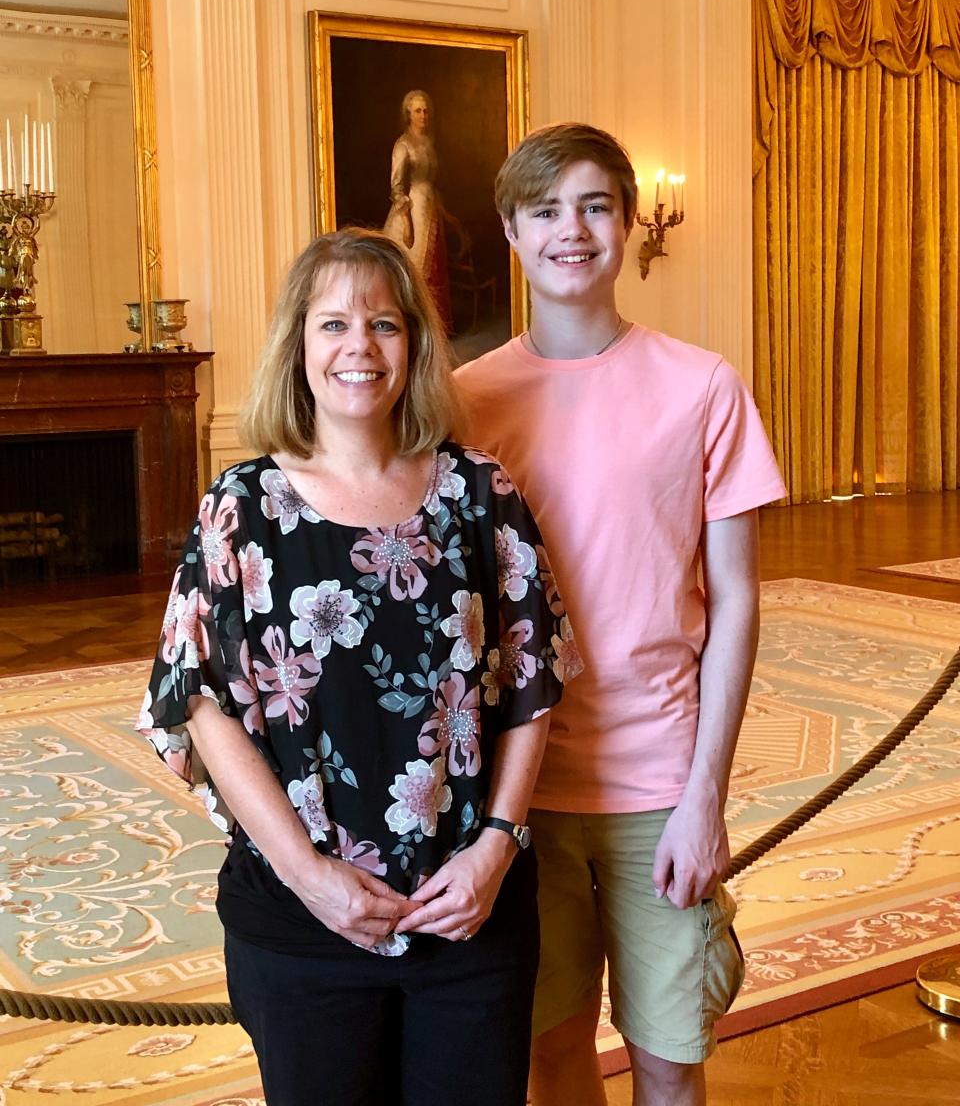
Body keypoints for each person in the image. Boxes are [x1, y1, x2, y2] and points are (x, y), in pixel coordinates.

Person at [137, 228, 574, 1106]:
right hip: (299, 924)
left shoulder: (479, 492)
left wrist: (496, 847)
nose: (359, 349)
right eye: (332, 325)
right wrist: (309, 875)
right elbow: (199, 705)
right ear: (298, 346)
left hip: (469, 917)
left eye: (383, 324)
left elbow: (534, 681)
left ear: (413, 343)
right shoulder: (242, 506)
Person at [454, 124, 786, 1106]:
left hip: (659, 783)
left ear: (629, 224)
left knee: (670, 1063)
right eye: (546, 210)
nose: (572, 230)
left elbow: (736, 598)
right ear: (512, 231)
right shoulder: (465, 401)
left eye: (595, 205)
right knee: (551, 1055)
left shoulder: (703, 385)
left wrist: (706, 794)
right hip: (522, 793)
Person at [382, 89, 454, 332]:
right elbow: (397, 187)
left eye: (425, 110)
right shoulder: (403, 145)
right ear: (408, 114)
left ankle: (436, 328)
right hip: (411, 212)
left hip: (430, 208)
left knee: (435, 267)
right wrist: (408, 223)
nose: (423, 115)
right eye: (417, 111)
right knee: (415, 269)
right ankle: (416, 329)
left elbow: (431, 184)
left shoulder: (428, 143)